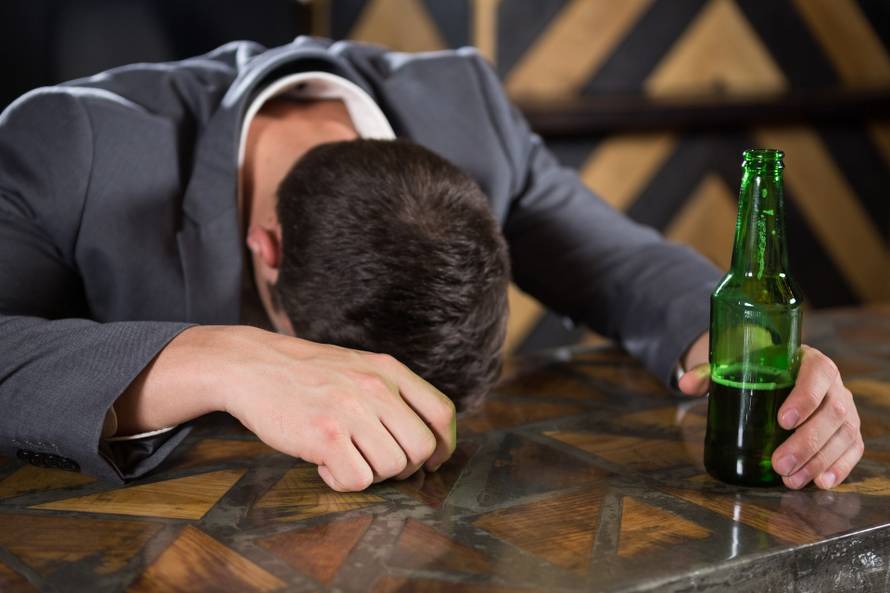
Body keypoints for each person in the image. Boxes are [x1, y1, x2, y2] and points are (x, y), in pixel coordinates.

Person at [0, 37, 862, 492]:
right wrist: (221, 357)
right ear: (267, 248)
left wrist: (741, 347)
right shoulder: (75, 147)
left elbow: (619, 263)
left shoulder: (465, 111)